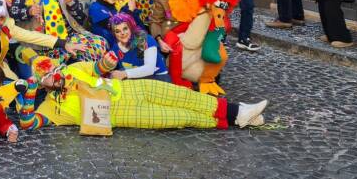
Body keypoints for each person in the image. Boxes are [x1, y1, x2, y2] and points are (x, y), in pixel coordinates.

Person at [14, 48, 267, 131]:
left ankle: (236, 111)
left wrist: (110, 61)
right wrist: (28, 91)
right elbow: (27, 122)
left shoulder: (72, 69)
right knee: (183, 117)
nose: (52, 77)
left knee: (184, 96)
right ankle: (236, 119)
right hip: (123, 115)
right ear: (42, 83)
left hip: (130, 90)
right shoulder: (50, 107)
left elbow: (98, 67)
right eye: (45, 77)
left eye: (51, 71)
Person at [106, 13, 170, 82]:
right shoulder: (115, 48)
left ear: (131, 28)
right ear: (114, 34)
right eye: (117, 31)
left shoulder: (146, 39)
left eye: (125, 28)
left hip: (159, 79)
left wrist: (124, 74)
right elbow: (111, 71)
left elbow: (149, 69)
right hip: (136, 81)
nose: (122, 33)